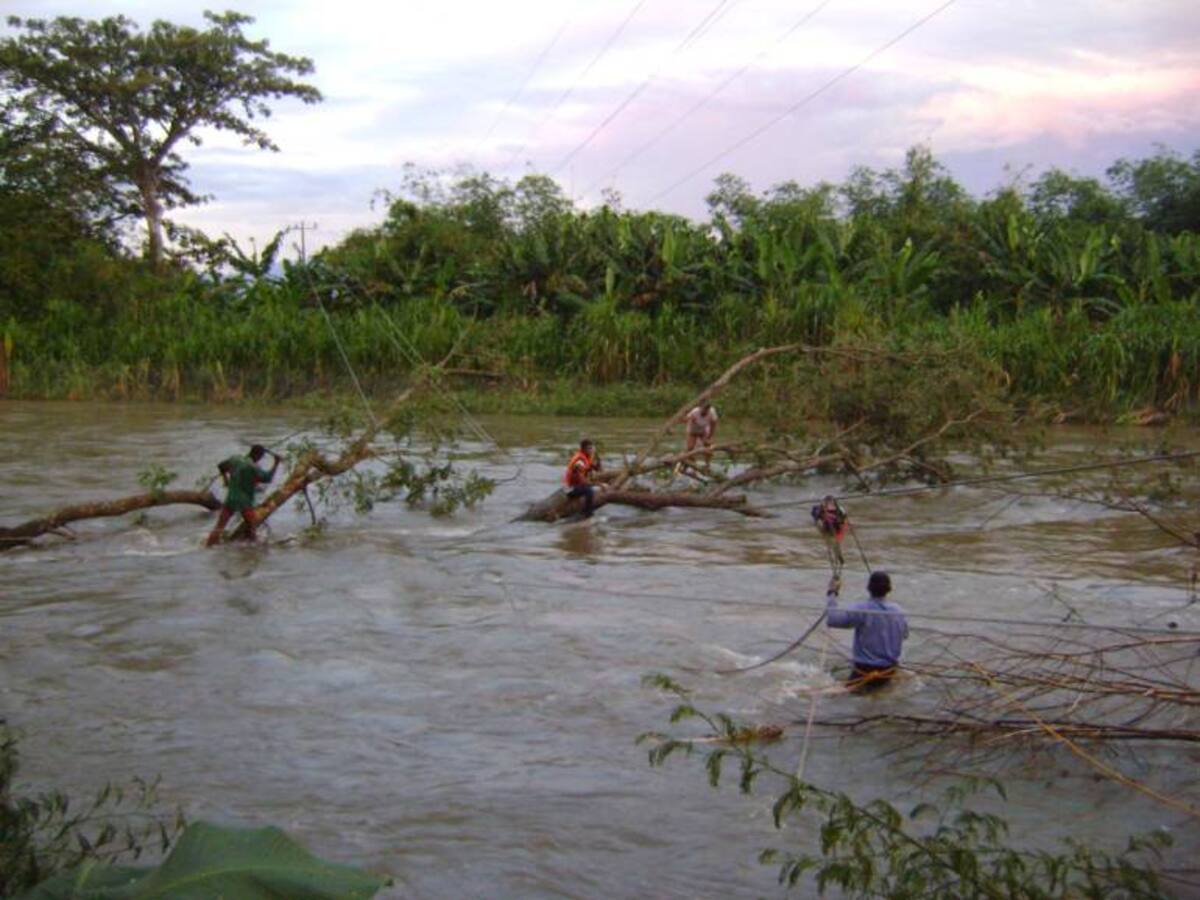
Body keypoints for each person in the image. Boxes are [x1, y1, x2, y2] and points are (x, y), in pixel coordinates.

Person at [825, 571, 908, 692]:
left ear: (868, 588)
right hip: (888, 672)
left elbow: (832, 620)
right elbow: (905, 635)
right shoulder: (899, 611)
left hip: (863, 671)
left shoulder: (863, 609)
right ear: (889, 589)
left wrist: (832, 592)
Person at [205, 444, 280, 546]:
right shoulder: (253, 467)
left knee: (219, 527)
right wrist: (276, 463)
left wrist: (225, 480)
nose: (259, 460)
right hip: (244, 502)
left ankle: (208, 546)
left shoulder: (235, 459)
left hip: (230, 499)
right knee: (252, 528)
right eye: (261, 458)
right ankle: (253, 550)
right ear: (258, 456)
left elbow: (221, 466)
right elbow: (268, 478)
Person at [563, 438, 602, 518]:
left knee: (591, 488)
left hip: (576, 485)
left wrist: (598, 460)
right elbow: (582, 481)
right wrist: (599, 484)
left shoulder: (586, 457)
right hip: (570, 489)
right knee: (590, 491)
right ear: (583, 449)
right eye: (589, 448)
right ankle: (587, 514)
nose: (591, 450)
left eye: (592, 448)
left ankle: (584, 509)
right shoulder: (579, 461)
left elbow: (597, 469)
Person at [811, 495, 848, 572]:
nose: (830, 505)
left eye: (831, 503)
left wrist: (841, 524)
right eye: (828, 503)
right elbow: (816, 519)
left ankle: (840, 560)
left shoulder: (839, 510)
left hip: (837, 528)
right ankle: (838, 561)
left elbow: (844, 520)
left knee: (836, 544)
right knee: (831, 544)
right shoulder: (820, 509)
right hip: (826, 528)